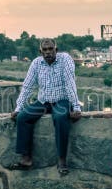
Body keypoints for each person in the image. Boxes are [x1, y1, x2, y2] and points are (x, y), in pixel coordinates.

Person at [10, 38, 81, 175]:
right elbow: (27, 86)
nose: (48, 52)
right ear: (40, 51)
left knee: (60, 118)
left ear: (56, 50)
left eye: (51, 49)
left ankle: (61, 160)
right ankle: (26, 158)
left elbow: (69, 83)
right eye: (45, 50)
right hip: (43, 101)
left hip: (62, 100)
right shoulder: (36, 63)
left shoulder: (65, 59)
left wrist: (76, 107)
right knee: (23, 117)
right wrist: (18, 108)